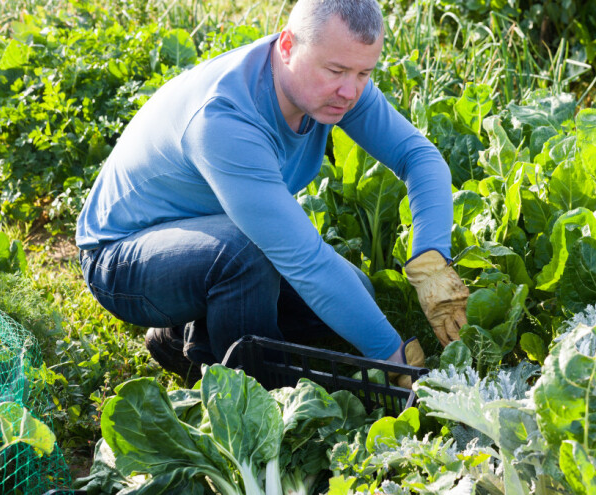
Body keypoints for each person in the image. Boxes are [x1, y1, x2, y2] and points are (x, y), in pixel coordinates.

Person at [75, 0, 468, 387]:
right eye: (336, 70)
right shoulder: (225, 118)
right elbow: (305, 262)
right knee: (246, 255)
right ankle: (245, 386)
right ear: (286, 46)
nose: (350, 91)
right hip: (121, 258)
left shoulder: (334, 89)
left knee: (355, 294)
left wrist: (431, 262)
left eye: (364, 73)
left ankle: (183, 336)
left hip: (207, 236)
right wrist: (391, 356)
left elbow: (418, 157)